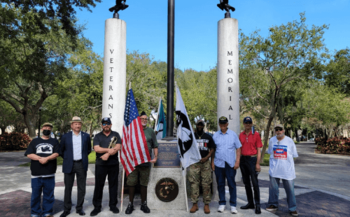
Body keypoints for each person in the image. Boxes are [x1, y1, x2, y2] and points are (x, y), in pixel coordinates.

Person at [125, 111, 159, 214]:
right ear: (138, 120)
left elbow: (155, 145)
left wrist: (156, 157)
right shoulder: (132, 131)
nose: (144, 121)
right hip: (133, 162)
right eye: (142, 119)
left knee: (144, 183)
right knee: (131, 183)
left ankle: (144, 204)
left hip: (145, 162)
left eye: (145, 119)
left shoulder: (150, 131)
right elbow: (126, 144)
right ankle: (130, 204)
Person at [25, 123, 59, 217]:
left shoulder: (54, 141)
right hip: (36, 174)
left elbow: (56, 153)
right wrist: (40, 158)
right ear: (42, 129)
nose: (47, 129)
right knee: (35, 195)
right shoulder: (34, 141)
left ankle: (47, 212)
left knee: (49, 195)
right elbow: (29, 154)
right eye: (45, 127)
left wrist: (47, 159)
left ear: (51, 130)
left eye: (49, 128)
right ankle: (35, 213)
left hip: (49, 173)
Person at [60, 117, 92, 217]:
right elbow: (61, 150)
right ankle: (67, 209)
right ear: (72, 125)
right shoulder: (65, 136)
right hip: (69, 164)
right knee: (68, 188)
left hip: (81, 164)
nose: (77, 126)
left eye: (79, 124)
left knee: (81, 188)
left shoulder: (86, 136)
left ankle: (79, 208)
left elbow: (88, 150)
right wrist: (68, 158)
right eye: (75, 124)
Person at [90, 117, 121, 216]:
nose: (106, 125)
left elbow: (117, 147)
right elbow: (96, 149)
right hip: (101, 164)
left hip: (113, 164)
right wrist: (108, 151)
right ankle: (97, 207)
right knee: (99, 186)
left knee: (113, 185)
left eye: (108, 123)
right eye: (104, 124)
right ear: (101, 125)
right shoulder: (98, 136)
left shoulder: (116, 135)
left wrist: (108, 154)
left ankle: (113, 206)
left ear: (111, 125)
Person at [266, 124, 299, 217]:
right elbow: (270, 152)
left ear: (283, 130)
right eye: (276, 129)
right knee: (273, 189)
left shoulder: (289, 141)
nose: (278, 131)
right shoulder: (272, 140)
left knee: (290, 190)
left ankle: (292, 208)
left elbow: (294, 155)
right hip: (274, 170)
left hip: (287, 171)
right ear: (275, 131)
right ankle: (273, 204)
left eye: (280, 129)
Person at [213, 116, 242, 214]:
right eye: (221, 124)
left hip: (230, 164)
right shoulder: (215, 135)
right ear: (219, 124)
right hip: (219, 164)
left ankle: (233, 205)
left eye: (224, 124)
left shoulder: (233, 135)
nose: (223, 125)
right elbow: (212, 150)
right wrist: (212, 163)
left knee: (231, 184)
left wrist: (237, 161)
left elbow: (238, 148)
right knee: (220, 184)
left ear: (227, 124)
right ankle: (222, 203)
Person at [188, 119, 216, 214]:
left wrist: (207, 158)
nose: (199, 126)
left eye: (201, 124)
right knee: (194, 183)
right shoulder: (192, 136)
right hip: (194, 163)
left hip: (205, 163)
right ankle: (194, 204)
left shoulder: (208, 136)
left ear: (203, 126)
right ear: (196, 125)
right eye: (198, 125)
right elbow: (187, 148)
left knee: (206, 183)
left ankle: (206, 204)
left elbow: (212, 149)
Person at [239, 116, 262, 214]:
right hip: (243, 160)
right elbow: (239, 149)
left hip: (252, 160)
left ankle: (257, 205)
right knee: (246, 183)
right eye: (246, 123)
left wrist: (257, 163)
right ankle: (250, 203)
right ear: (243, 124)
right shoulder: (241, 135)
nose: (247, 125)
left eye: (249, 123)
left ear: (251, 124)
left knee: (255, 183)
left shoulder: (256, 134)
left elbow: (259, 150)